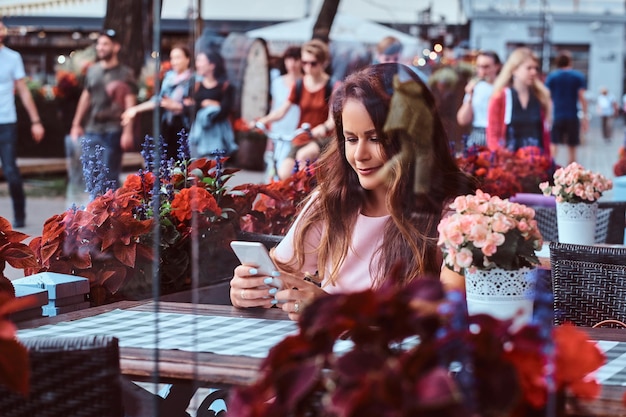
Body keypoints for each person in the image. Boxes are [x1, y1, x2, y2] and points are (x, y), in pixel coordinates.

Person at [230, 63, 476, 320]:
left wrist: (338, 308)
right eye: (351, 139)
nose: (360, 155)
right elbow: (281, 273)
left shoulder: (453, 216)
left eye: (376, 139)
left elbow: (450, 308)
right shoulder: (331, 201)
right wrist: (248, 290)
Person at [254, 39, 335, 180]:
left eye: (313, 63)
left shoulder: (332, 86)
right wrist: (263, 120)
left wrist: (321, 127)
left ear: (323, 63)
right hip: (301, 136)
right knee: (284, 174)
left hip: (323, 138)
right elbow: (282, 110)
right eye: (304, 63)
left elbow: (332, 120)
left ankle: (307, 198)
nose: (308, 67)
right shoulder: (299, 85)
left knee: (303, 157)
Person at [70, 28, 137, 191]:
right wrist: (76, 124)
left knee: (109, 177)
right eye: (99, 44)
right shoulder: (92, 71)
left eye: (105, 44)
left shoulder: (125, 73)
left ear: (116, 47)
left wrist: (128, 132)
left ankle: (111, 215)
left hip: (113, 131)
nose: (100, 48)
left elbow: (130, 104)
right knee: (91, 175)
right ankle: (95, 213)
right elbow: (86, 97)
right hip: (92, 129)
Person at [0, 21, 45, 228]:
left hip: (7, 121)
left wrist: (36, 121)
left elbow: (24, 91)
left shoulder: (12, 57)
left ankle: (19, 215)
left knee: (10, 170)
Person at [121, 44, 194, 160]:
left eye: (178, 57)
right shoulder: (168, 78)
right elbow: (159, 100)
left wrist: (179, 106)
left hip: (186, 126)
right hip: (168, 125)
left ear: (187, 59)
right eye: (172, 58)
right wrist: (135, 109)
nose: (174, 61)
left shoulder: (193, 80)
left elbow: (196, 104)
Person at [486, 47, 552, 155]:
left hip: (537, 162)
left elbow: (545, 134)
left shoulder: (541, 97)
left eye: (536, 68)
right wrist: (500, 158)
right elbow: (492, 136)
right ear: (514, 70)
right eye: (529, 68)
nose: (533, 72)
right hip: (511, 163)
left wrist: (548, 160)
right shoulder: (501, 97)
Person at [187, 49, 238, 158]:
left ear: (212, 65)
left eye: (201, 61)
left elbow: (226, 109)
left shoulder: (225, 86)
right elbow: (189, 106)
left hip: (218, 135)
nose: (198, 64)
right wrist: (205, 104)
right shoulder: (196, 85)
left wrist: (213, 109)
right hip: (198, 133)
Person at [264, 46, 302, 180]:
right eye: (289, 59)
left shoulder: (303, 83)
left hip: (296, 133)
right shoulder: (277, 82)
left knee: (287, 173)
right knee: (272, 172)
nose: (292, 63)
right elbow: (275, 109)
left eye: (296, 59)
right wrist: (269, 138)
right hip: (278, 132)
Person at [545, 50, 588, 164]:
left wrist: (548, 116)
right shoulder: (577, 76)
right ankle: (571, 177)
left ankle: (550, 171)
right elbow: (582, 98)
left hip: (557, 116)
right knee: (572, 148)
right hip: (572, 115)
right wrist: (584, 116)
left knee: (553, 146)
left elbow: (547, 98)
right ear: (570, 61)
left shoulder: (552, 77)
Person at [456, 50, 502, 148]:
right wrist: (470, 96)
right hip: (478, 134)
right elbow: (462, 120)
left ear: (497, 66)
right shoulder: (475, 87)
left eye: (486, 67)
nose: (482, 71)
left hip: (499, 135)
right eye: (479, 66)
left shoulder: (504, 89)